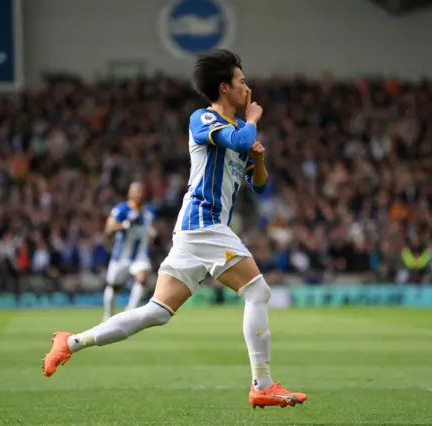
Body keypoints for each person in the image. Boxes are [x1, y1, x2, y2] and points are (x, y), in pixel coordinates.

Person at [42, 49, 307, 409]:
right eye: (242, 81)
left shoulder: (234, 132)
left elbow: (258, 184)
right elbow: (243, 140)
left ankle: (70, 342)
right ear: (224, 86)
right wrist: (253, 119)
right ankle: (262, 384)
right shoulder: (204, 119)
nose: (248, 87)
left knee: (157, 312)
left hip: (195, 231)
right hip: (205, 222)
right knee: (257, 293)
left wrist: (258, 160)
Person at [103, 182, 157, 321]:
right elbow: (109, 229)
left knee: (142, 278)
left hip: (140, 255)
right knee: (113, 287)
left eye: (141, 191)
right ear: (130, 194)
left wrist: (152, 233)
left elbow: (149, 229)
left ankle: (129, 313)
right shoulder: (121, 210)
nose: (139, 194)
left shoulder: (149, 211)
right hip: (121, 256)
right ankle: (108, 316)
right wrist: (125, 224)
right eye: (136, 191)